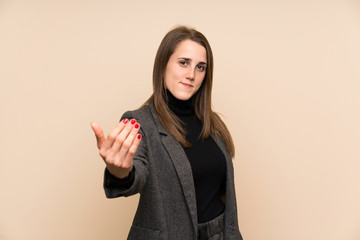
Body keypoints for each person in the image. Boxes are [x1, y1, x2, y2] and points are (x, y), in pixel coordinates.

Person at [91, 25, 243, 240]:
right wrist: (119, 172)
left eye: (201, 67)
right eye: (183, 63)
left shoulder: (213, 123)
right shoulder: (139, 122)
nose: (191, 74)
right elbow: (135, 175)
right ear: (163, 65)